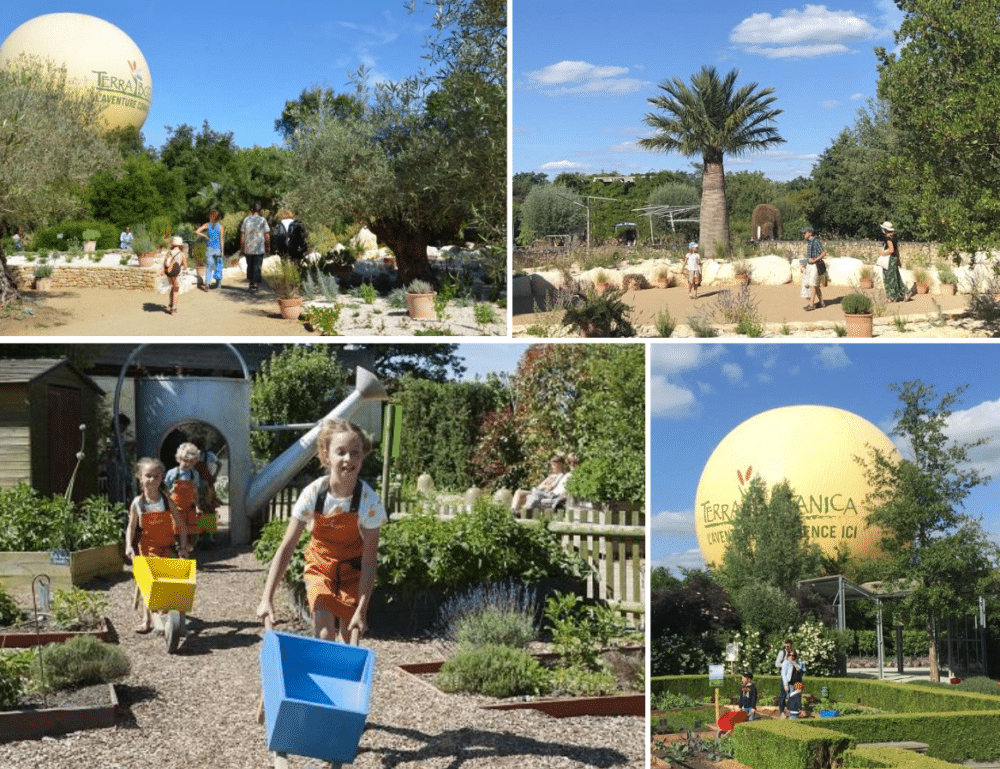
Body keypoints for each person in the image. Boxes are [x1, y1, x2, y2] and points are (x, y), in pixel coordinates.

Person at [257, 418, 386, 642]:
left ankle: (342, 673)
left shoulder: (369, 501)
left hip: (352, 569)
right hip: (320, 566)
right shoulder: (313, 494)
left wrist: (361, 611)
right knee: (324, 632)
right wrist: (266, 597)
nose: (349, 459)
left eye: (355, 452)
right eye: (341, 452)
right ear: (326, 455)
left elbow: (369, 560)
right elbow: (287, 547)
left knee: (348, 635)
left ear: (363, 456)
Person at [125, 457, 189, 633]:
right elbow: (131, 527)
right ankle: (147, 620)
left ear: (161, 478)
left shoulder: (166, 501)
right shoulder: (137, 503)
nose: (151, 480)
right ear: (140, 477)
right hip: (148, 547)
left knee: (172, 579)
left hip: (167, 545)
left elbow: (181, 525)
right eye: (148, 476)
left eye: (156, 476)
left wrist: (183, 547)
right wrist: (128, 546)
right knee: (149, 581)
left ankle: (173, 617)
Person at [165, 442, 204, 552]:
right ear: (179, 459)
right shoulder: (171, 473)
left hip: (190, 509)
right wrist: (170, 493)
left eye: (191, 462)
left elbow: (195, 492)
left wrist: (197, 507)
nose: (188, 464)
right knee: (176, 533)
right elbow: (165, 491)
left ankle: (187, 549)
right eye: (185, 461)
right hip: (176, 509)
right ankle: (180, 557)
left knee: (194, 533)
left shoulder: (194, 474)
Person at [240, 202, 270, 294]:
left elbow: (242, 234)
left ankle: (251, 283)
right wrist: (268, 246)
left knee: (250, 266)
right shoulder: (263, 220)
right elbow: (267, 234)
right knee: (257, 266)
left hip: (248, 248)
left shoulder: (246, 220)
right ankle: (255, 286)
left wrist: (242, 247)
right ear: (260, 211)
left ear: (252, 210)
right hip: (259, 248)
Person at [195, 209, 225, 290]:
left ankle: (207, 284)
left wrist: (204, 236)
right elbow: (221, 239)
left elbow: (197, 231)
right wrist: (222, 251)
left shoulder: (207, 225)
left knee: (208, 267)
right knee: (218, 266)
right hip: (218, 249)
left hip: (209, 248)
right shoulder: (220, 227)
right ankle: (218, 285)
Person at [880, 221, 907, 302]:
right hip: (894, 258)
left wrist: (884, 253)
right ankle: (904, 292)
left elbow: (891, 250)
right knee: (896, 277)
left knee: (889, 278)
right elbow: (896, 250)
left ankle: (892, 296)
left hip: (890, 259)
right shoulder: (894, 238)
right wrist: (898, 260)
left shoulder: (888, 239)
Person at [802, 226, 827, 311]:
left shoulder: (815, 241)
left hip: (815, 265)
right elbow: (809, 256)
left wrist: (814, 260)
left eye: (804, 233)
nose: (803, 234)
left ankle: (811, 304)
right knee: (815, 286)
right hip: (810, 265)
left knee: (812, 285)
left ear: (810, 233)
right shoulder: (809, 242)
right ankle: (821, 302)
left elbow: (823, 253)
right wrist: (805, 264)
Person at [162, 235, 188, 315]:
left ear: (172, 244)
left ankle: (170, 304)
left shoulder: (168, 253)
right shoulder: (182, 254)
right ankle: (174, 308)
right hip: (177, 274)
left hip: (170, 274)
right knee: (176, 290)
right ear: (180, 245)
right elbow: (185, 266)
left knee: (171, 288)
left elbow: (165, 263)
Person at [774, 639, 794, 716]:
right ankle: (782, 711)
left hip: (792, 677)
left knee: (791, 695)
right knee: (783, 695)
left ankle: (789, 710)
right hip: (784, 676)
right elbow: (777, 664)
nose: (787, 647)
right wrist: (786, 665)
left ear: (791, 645)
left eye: (788, 645)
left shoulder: (793, 652)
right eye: (786, 645)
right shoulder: (782, 652)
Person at [782, 650, 804, 719]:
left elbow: (801, 672)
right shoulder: (786, 663)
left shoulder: (797, 663)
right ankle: (791, 713)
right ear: (788, 656)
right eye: (790, 655)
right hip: (791, 683)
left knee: (797, 697)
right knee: (791, 697)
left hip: (797, 683)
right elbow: (784, 674)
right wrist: (785, 684)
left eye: (793, 655)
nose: (792, 657)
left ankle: (796, 712)